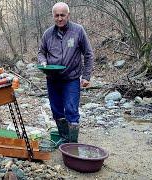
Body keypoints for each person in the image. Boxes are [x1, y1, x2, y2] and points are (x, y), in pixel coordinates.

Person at [37, 2, 94, 143]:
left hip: (71, 79)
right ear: (53, 16)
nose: (60, 18)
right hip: (52, 79)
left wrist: (86, 76)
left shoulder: (78, 31)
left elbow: (88, 54)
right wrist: (43, 62)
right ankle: (64, 138)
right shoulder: (47, 34)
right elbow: (41, 53)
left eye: (62, 15)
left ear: (68, 15)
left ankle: (72, 143)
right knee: (56, 111)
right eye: (57, 15)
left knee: (71, 111)